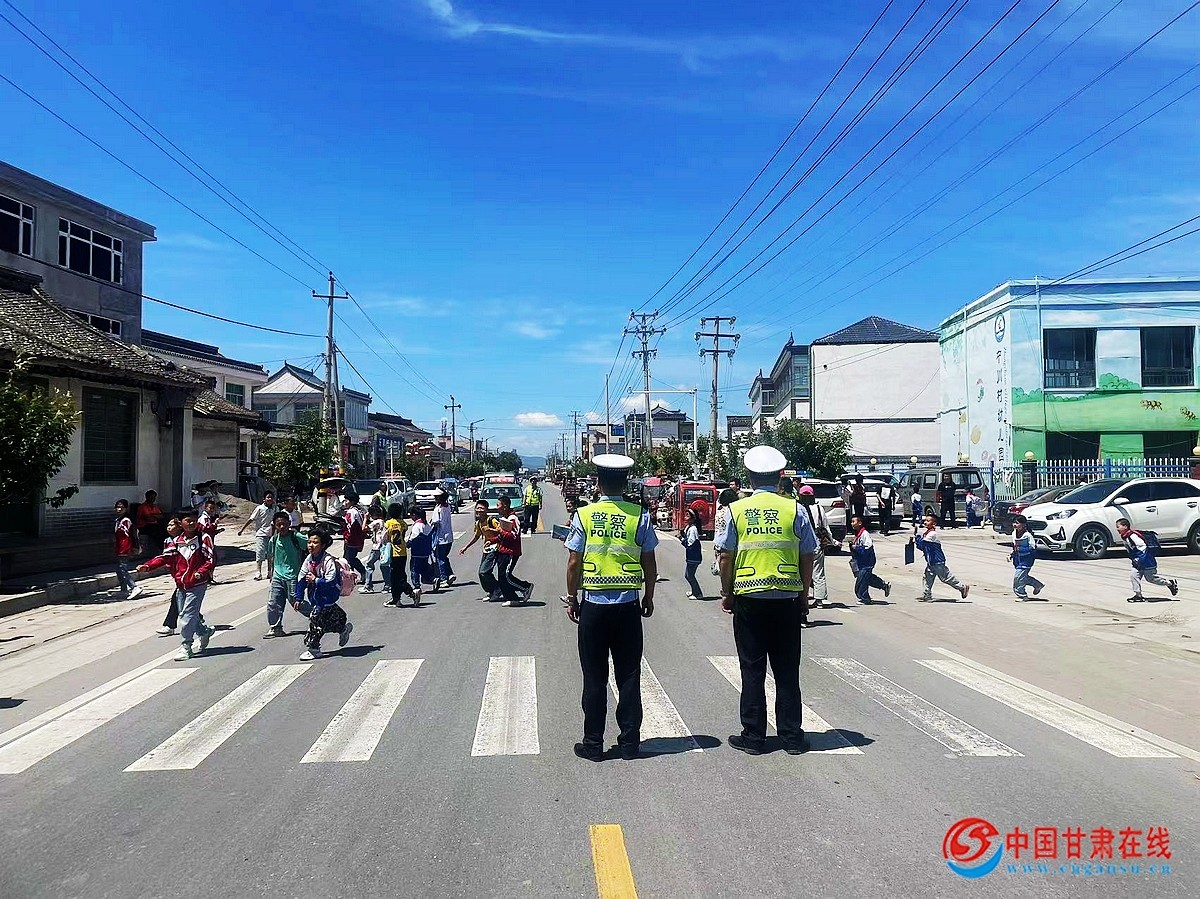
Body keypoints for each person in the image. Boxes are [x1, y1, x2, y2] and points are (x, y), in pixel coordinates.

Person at [717, 445, 817, 756]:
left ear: (748, 476)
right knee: (787, 671)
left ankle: (753, 738)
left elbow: (725, 557)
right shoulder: (795, 510)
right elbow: (808, 555)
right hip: (787, 601)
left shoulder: (736, 510)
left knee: (752, 670)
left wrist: (727, 593)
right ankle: (791, 737)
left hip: (749, 600)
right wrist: (804, 596)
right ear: (780, 477)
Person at [565, 454, 658, 762]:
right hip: (628, 608)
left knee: (594, 677)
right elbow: (649, 563)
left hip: (593, 608)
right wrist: (648, 596)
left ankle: (593, 744)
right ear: (626, 482)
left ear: (598, 483)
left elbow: (574, 563)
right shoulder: (640, 515)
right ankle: (630, 744)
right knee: (629, 676)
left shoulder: (584, 515)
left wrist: (572, 598)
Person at [139, 509, 216, 661]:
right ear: (181, 523)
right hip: (181, 584)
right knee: (184, 614)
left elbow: (211, 559)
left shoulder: (203, 538)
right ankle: (204, 631)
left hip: (197, 584)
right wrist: (148, 566)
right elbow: (164, 558)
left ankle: (186, 646)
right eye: (188, 520)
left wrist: (200, 572)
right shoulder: (175, 542)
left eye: (194, 520)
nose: (192, 523)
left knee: (187, 616)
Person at [294, 531, 353, 660]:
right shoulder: (309, 560)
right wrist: (298, 598)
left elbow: (330, 581)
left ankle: (314, 649)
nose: (311, 545)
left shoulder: (328, 560)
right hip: (315, 598)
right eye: (309, 542)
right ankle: (343, 629)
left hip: (327, 597)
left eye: (315, 542)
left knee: (316, 621)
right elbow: (301, 579)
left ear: (323, 545)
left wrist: (315, 580)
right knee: (330, 621)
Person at [265, 510, 307, 637]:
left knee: (296, 601)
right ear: (274, 526)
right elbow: (271, 556)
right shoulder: (274, 539)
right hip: (277, 576)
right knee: (273, 603)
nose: (282, 527)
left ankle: (318, 617)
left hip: (293, 576)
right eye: (278, 525)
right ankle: (276, 628)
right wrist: (270, 572)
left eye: (284, 524)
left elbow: (312, 546)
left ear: (289, 524)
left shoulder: (296, 537)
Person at [1117, 518, 1178, 602]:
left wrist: (1139, 558)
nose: (1117, 529)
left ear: (1125, 526)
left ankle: (1170, 583)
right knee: (1134, 575)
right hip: (1138, 562)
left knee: (1150, 578)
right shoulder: (1125, 537)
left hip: (1147, 560)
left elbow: (1142, 546)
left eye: (1118, 527)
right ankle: (1138, 595)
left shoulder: (1132, 535)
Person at [914, 512, 969, 601]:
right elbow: (922, 546)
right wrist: (916, 539)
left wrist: (917, 536)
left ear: (934, 523)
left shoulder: (933, 534)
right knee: (927, 578)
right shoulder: (927, 533)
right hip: (931, 561)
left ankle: (962, 587)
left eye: (928, 521)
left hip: (937, 561)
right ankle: (927, 595)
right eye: (925, 520)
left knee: (945, 577)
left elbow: (923, 543)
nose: (925, 522)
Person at [798, 485, 834, 613]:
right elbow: (826, 526)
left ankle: (803, 596)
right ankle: (820, 599)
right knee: (818, 571)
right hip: (817, 542)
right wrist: (832, 541)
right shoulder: (819, 508)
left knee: (801, 570)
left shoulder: (798, 508)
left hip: (802, 543)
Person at [460, 500, 503, 601]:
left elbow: (501, 531)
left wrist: (490, 530)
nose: (479, 510)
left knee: (484, 571)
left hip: (495, 549)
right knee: (481, 573)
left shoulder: (491, 520)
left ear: (486, 510)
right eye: (478, 508)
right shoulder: (478, 523)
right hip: (486, 549)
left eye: (482, 508)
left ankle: (497, 588)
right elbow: (476, 537)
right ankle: (492, 591)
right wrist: (465, 547)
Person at [495, 496, 532, 605]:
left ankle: (525, 587)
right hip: (503, 551)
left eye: (498, 505)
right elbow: (502, 536)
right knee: (502, 577)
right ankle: (511, 597)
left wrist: (501, 531)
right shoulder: (505, 518)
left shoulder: (513, 519)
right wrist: (492, 540)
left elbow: (514, 536)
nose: (497, 508)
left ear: (505, 506)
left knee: (506, 575)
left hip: (511, 552)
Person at [846, 515, 890, 605]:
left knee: (861, 582)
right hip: (861, 562)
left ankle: (865, 598)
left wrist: (856, 547)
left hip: (867, 562)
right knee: (867, 578)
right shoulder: (858, 534)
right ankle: (883, 585)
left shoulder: (865, 534)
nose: (852, 524)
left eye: (854, 521)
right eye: (851, 522)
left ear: (860, 523)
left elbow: (867, 547)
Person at [237, 491, 276, 580]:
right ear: (264, 499)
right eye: (268, 497)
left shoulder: (275, 508)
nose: (270, 499)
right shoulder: (259, 508)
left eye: (271, 497)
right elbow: (251, 519)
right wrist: (242, 530)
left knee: (271, 554)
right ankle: (258, 572)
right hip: (261, 534)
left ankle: (270, 572)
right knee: (260, 552)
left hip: (272, 534)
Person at [384, 503, 417, 606]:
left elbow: (386, 537)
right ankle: (396, 599)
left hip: (394, 553)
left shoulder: (388, 523)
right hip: (402, 551)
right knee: (400, 575)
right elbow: (403, 532)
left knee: (396, 577)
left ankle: (411, 592)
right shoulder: (403, 523)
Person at [113, 499, 144, 601]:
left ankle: (134, 587)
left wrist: (128, 549)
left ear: (126, 508)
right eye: (117, 507)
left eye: (121, 507)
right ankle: (123, 589)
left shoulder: (125, 521)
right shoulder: (119, 520)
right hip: (119, 548)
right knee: (119, 569)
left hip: (124, 548)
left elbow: (128, 537)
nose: (119, 509)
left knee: (123, 569)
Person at [1009, 515, 1045, 601]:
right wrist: (1011, 555)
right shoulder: (1014, 534)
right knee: (1023, 577)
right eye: (1014, 522)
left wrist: (1022, 549)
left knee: (1018, 578)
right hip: (1017, 559)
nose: (1014, 525)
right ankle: (1037, 585)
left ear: (1023, 524)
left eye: (1017, 523)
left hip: (1026, 560)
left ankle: (1022, 595)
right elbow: (1014, 547)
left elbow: (1033, 548)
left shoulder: (1027, 535)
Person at [406, 508, 435, 600]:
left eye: (411, 515)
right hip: (426, 552)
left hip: (417, 552)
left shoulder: (417, 526)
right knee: (423, 568)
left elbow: (413, 538)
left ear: (415, 515)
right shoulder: (427, 525)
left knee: (414, 570)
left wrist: (407, 544)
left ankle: (417, 587)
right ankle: (432, 579)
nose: (410, 517)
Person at [711, 488, 738, 577]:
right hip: (729, 544)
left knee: (723, 571)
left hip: (718, 543)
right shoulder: (731, 511)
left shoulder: (719, 511)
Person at [341, 496, 368, 582]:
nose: (345, 503)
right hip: (356, 538)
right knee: (348, 558)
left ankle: (363, 572)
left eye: (346, 501)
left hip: (352, 539)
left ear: (352, 502)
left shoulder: (351, 512)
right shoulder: (357, 511)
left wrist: (347, 537)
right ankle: (350, 577)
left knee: (350, 559)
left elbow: (351, 527)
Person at [432, 490, 456, 589]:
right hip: (449, 537)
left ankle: (443, 578)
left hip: (440, 538)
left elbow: (436, 522)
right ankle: (450, 574)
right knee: (444, 557)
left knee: (439, 558)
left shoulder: (438, 509)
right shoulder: (448, 506)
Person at [361, 506, 387, 593]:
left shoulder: (376, 522)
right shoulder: (383, 521)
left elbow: (363, 528)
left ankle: (368, 586)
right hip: (383, 546)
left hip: (377, 547)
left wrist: (365, 518)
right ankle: (388, 585)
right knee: (384, 566)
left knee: (369, 564)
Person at [680, 506, 704, 599]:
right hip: (691, 556)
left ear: (693, 518)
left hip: (694, 556)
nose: (685, 518)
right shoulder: (688, 527)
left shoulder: (693, 529)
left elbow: (690, 543)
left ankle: (698, 593)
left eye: (687, 516)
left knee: (689, 575)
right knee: (689, 575)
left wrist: (681, 539)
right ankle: (694, 591)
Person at [135, 490, 165, 555]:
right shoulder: (142, 507)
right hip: (144, 526)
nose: (152, 499)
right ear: (147, 497)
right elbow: (148, 518)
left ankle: (162, 549)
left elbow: (161, 516)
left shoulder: (155, 506)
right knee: (156, 532)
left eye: (154, 497)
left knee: (163, 530)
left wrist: (153, 515)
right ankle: (159, 549)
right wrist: (155, 516)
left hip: (154, 525)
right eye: (151, 497)